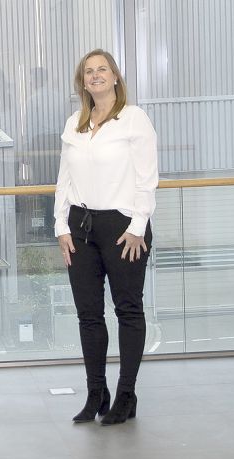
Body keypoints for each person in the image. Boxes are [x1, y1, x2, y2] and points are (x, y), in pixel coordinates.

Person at [53, 48, 158, 426]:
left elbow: (147, 179)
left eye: (102, 70)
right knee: (88, 314)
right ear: (81, 81)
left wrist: (138, 225)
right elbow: (64, 178)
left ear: (115, 76)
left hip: (123, 227)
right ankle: (96, 393)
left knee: (128, 309)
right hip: (80, 226)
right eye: (88, 72)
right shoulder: (75, 123)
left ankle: (126, 394)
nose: (95, 76)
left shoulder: (134, 119)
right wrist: (60, 226)